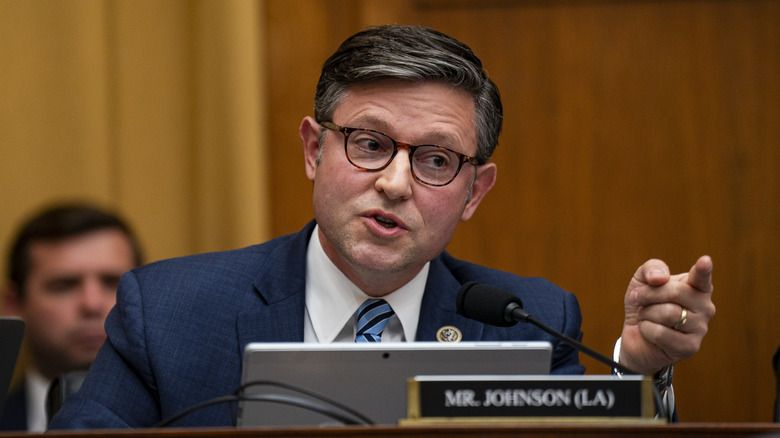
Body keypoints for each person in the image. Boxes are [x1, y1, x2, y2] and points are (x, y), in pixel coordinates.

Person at [48, 25, 715, 429]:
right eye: (369, 144)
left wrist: (638, 370)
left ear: (475, 190)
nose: (395, 183)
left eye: (435, 159)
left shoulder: (529, 318)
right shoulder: (168, 313)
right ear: (315, 150)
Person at [0, 204, 143, 432]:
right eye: (64, 286)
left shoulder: (194, 422)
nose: (92, 304)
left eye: (112, 283)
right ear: (14, 305)